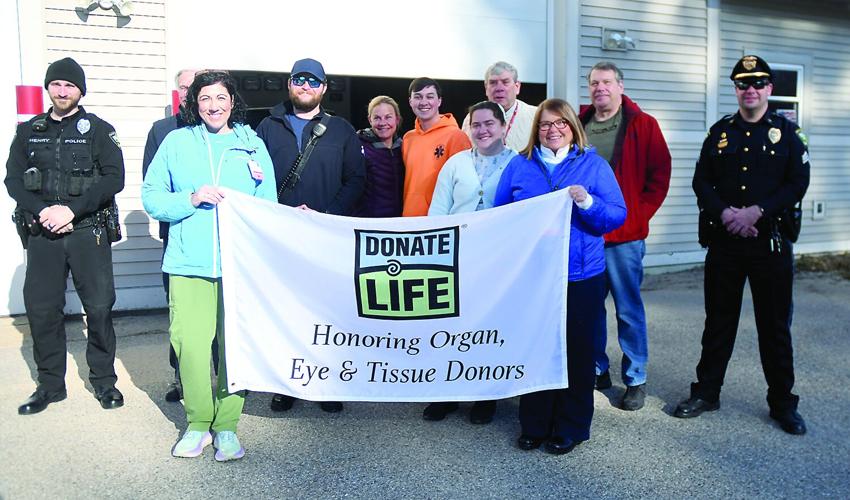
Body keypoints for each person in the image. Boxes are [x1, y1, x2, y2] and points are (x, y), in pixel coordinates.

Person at [142, 70, 277, 460]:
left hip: (238, 265)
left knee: (234, 349)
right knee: (191, 346)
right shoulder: (176, 142)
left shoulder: (252, 144)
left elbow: (267, 204)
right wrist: (191, 198)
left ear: (233, 101)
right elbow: (152, 198)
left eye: (221, 98)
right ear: (194, 103)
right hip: (188, 263)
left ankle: (227, 426)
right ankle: (199, 423)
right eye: (205, 98)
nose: (214, 106)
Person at [674, 55, 810, 435]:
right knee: (718, 322)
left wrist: (757, 212)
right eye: (742, 84)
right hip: (725, 242)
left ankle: (783, 403)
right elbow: (702, 181)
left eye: (758, 83)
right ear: (735, 89)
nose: (750, 90)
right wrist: (728, 215)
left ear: (769, 89)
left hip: (770, 243)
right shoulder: (720, 132)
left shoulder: (787, 133)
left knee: (775, 327)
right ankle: (706, 393)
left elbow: (798, 182)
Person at [493, 98, 625, 454]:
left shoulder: (593, 166)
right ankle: (534, 424)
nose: (552, 130)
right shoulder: (519, 166)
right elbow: (500, 216)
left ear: (572, 127)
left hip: (580, 274)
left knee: (577, 352)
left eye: (560, 124)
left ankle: (572, 426)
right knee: (536, 349)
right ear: (536, 130)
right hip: (535, 274)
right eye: (545, 124)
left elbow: (616, 215)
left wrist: (587, 203)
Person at [6, 57, 126, 415]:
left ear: (80, 91)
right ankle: (50, 385)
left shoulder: (99, 131)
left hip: (88, 232)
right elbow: (13, 179)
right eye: (56, 84)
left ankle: (104, 383)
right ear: (48, 88)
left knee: (100, 308)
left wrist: (71, 211)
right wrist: (44, 211)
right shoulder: (29, 131)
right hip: (43, 234)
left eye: (70, 85)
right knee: (42, 311)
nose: (62, 91)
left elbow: (113, 178)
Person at [257, 58, 365, 413]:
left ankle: (328, 381)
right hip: (279, 237)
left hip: (326, 237)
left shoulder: (342, 130)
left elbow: (356, 179)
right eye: (299, 80)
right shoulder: (266, 127)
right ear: (289, 84)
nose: (305, 86)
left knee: (327, 312)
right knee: (284, 312)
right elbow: (251, 181)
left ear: (323, 87)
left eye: (313, 81)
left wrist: (327, 217)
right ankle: (286, 383)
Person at [578, 61, 671, 410]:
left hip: (624, 236)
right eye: (593, 83)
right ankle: (597, 369)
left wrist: (637, 215)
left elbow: (659, 175)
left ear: (619, 86)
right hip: (587, 235)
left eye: (606, 82)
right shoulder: (580, 123)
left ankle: (636, 377)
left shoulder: (642, 125)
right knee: (590, 308)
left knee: (628, 309)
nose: (599, 88)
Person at [424, 100, 517, 423]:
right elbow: (438, 210)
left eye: (489, 123)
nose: (482, 130)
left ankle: (485, 396)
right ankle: (447, 393)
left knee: (488, 327)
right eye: (476, 124)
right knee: (452, 325)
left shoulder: (517, 163)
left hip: (497, 258)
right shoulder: (455, 163)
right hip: (458, 256)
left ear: (503, 127)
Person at [142, 68, 216, 404]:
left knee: (218, 318)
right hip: (179, 238)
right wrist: (188, 200)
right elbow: (153, 184)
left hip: (217, 241)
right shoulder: (162, 132)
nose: (190, 93)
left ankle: (221, 376)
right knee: (182, 319)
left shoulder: (231, 132)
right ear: (178, 92)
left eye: (196, 87)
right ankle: (180, 376)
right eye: (185, 87)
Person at [402, 77, 471, 216]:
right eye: (418, 97)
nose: (424, 102)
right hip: (409, 220)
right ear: (410, 101)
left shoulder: (456, 136)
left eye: (430, 96)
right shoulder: (408, 138)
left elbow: (465, 186)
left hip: (439, 222)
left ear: (439, 101)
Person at [461, 61, 537, 151]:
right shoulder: (472, 117)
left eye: (505, 82)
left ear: (517, 87)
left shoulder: (535, 116)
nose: (499, 88)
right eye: (493, 83)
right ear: (486, 88)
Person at [353, 96, 404, 217]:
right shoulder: (356, 147)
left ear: (397, 119)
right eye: (377, 118)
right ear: (370, 120)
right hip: (368, 225)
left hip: (400, 224)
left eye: (388, 117)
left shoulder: (405, 147)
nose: (382, 123)